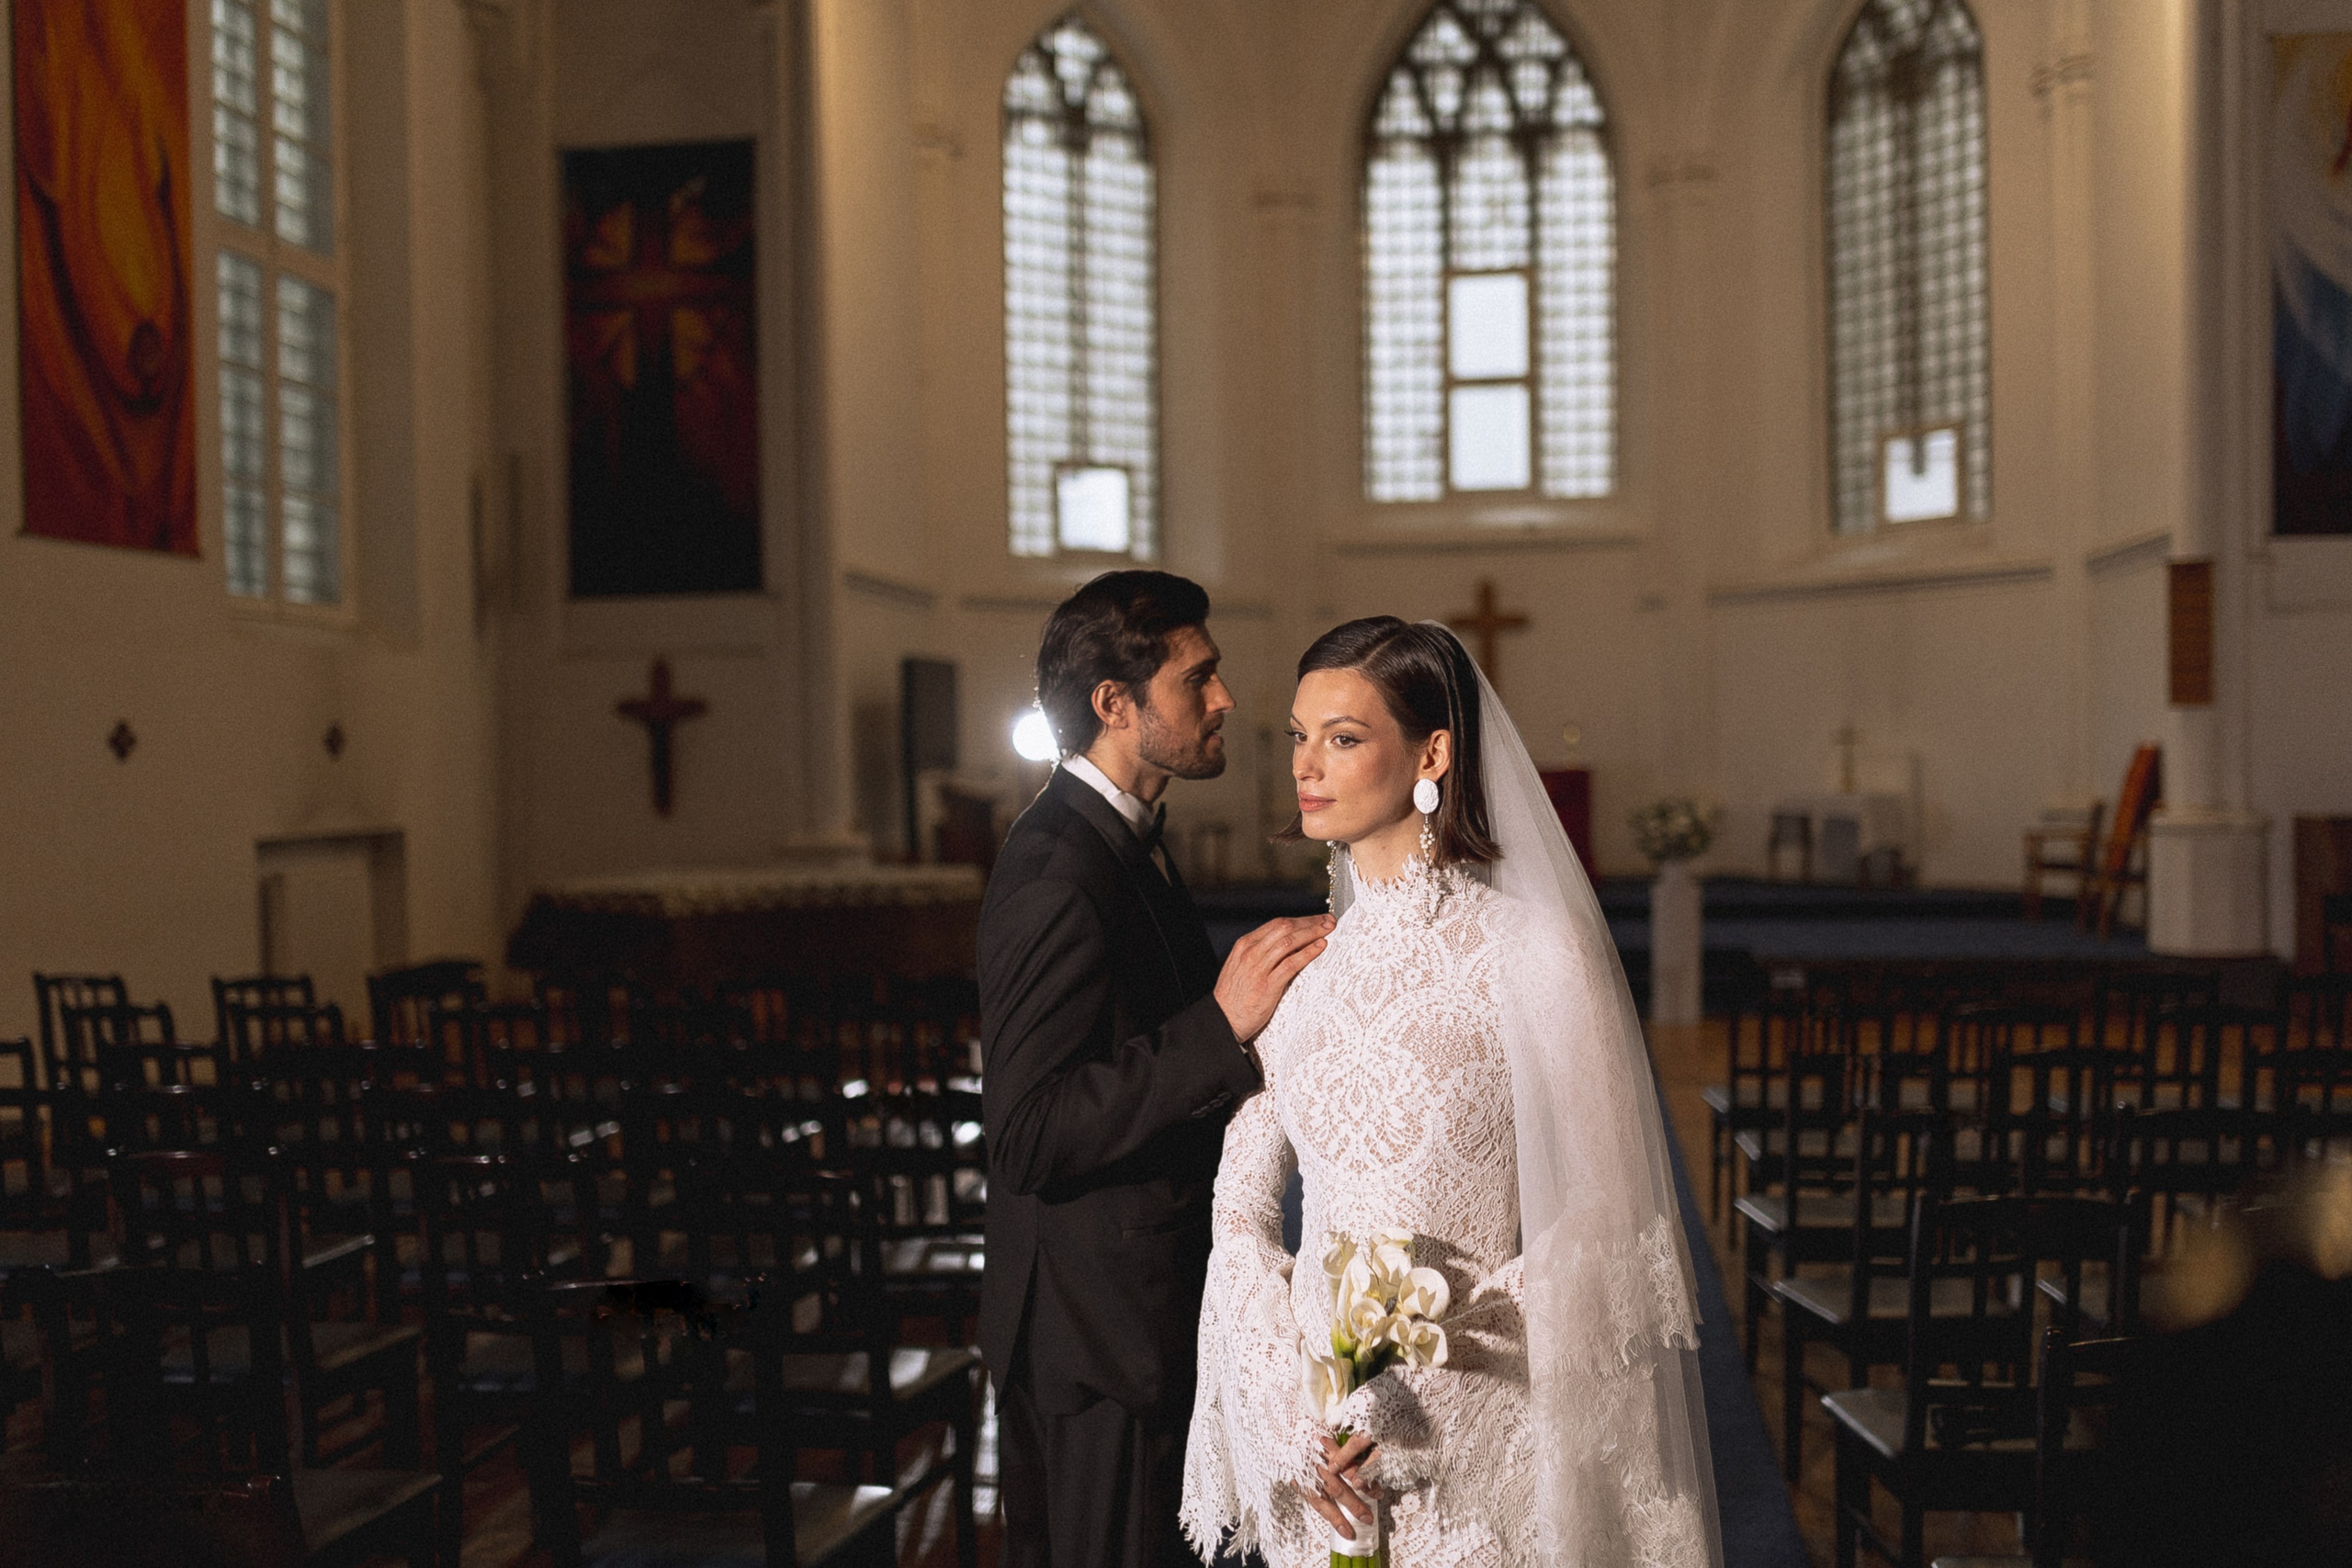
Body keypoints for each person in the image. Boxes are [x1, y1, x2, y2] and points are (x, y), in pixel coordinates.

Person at [1181, 618, 1723, 1567]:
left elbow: (1606, 1219)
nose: (1307, 765)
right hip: (1320, 1453)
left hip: (1484, 1432)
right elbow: (1237, 1210)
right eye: (1298, 737)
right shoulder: (1294, 973)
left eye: (1342, 738)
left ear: (1431, 750)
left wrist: (1408, 1406)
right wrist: (1290, 1408)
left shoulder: (1533, 954)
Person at [980, 570, 1336, 1568]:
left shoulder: (1126, 838)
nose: (1224, 699)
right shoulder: (1057, 869)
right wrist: (1218, 1026)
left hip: (1138, 1305)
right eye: (1199, 677)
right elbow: (1027, 1134)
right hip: (1093, 1338)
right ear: (1115, 704)